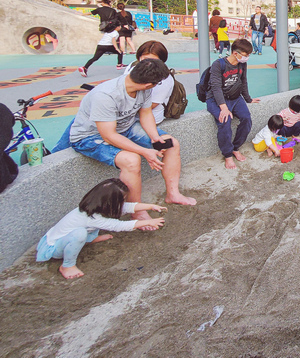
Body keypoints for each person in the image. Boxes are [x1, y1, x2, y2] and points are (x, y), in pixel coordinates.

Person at [52, 59, 196, 222]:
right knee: (132, 160)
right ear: (149, 84)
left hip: (125, 127)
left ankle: (173, 194)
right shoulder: (105, 95)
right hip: (90, 137)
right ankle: (137, 211)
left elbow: (146, 113)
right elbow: (108, 135)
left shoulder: (143, 88)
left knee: (170, 143)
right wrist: (144, 151)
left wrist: (155, 137)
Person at [36, 178, 165, 280]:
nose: (124, 202)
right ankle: (67, 266)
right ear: (110, 202)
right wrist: (147, 222)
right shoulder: (91, 217)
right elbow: (117, 226)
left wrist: (150, 206)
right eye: (122, 199)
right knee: (80, 233)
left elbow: (125, 207)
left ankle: (89, 240)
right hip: (55, 247)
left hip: (67, 237)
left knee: (86, 230)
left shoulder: (95, 208)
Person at [205, 39, 261, 170]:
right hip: (216, 99)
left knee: (246, 118)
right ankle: (228, 154)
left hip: (235, 97)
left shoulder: (242, 65)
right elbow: (215, 87)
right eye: (245, 55)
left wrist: (248, 99)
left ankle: (236, 147)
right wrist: (223, 108)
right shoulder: (218, 65)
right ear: (235, 53)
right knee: (225, 121)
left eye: (248, 55)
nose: (247, 58)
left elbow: (243, 81)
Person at [125, 41, 173, 125]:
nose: (149, 64)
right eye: (144, 60)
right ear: (139, 58)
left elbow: (150, 106)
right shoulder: (133, 66)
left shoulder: (164, 78)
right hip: (128, 117)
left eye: (154, 61)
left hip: (150, 119)